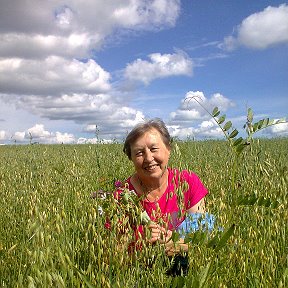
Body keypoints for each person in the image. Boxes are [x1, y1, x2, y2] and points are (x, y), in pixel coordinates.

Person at [114, 118, 210, 275]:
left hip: (182, 269)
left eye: (154, 149)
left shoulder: (189, 181)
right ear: (131, 158)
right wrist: (141, 240)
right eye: (139, 153)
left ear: (168, 149)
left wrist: (175, 243)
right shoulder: (121, 196)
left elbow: (203, 234)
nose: (148, 158)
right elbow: (113, 255)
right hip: (138, 273)